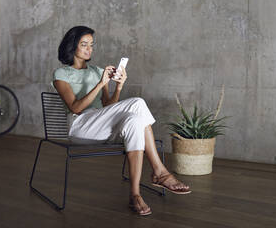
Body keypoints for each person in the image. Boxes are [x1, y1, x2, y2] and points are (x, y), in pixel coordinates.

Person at [53, 26, 191, 216]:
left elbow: (109, 105)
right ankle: (159, 172)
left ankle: (135, 194)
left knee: (135, 120)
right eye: (84, 45)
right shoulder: (61, 74)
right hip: (80, 126)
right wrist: (101, 83)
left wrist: (118, 87)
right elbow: (75, 108)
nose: (89, 49)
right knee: (137, 103)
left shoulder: (96, 70)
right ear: (72, 46)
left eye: (91, 45)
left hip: (101, 126)